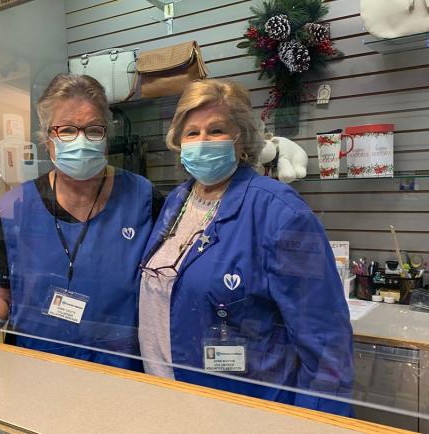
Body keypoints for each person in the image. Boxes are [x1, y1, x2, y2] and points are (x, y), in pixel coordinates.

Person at [138, 79, 353, 415]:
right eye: (191, 132)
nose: (202, 141)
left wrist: (318, 422)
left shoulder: (281, 212)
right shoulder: (177, 201)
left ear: (242, 139)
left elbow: (325, 342)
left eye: (216, 129)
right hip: (165, 397)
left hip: (240, 408)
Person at [0, 74, 163, 370]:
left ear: (106, 134)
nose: (80, 139)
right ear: (46, 137)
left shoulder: (143, 199)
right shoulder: (18, 207)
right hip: (36, 367)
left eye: (92, 129)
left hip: (122, 372)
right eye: (66, 130)